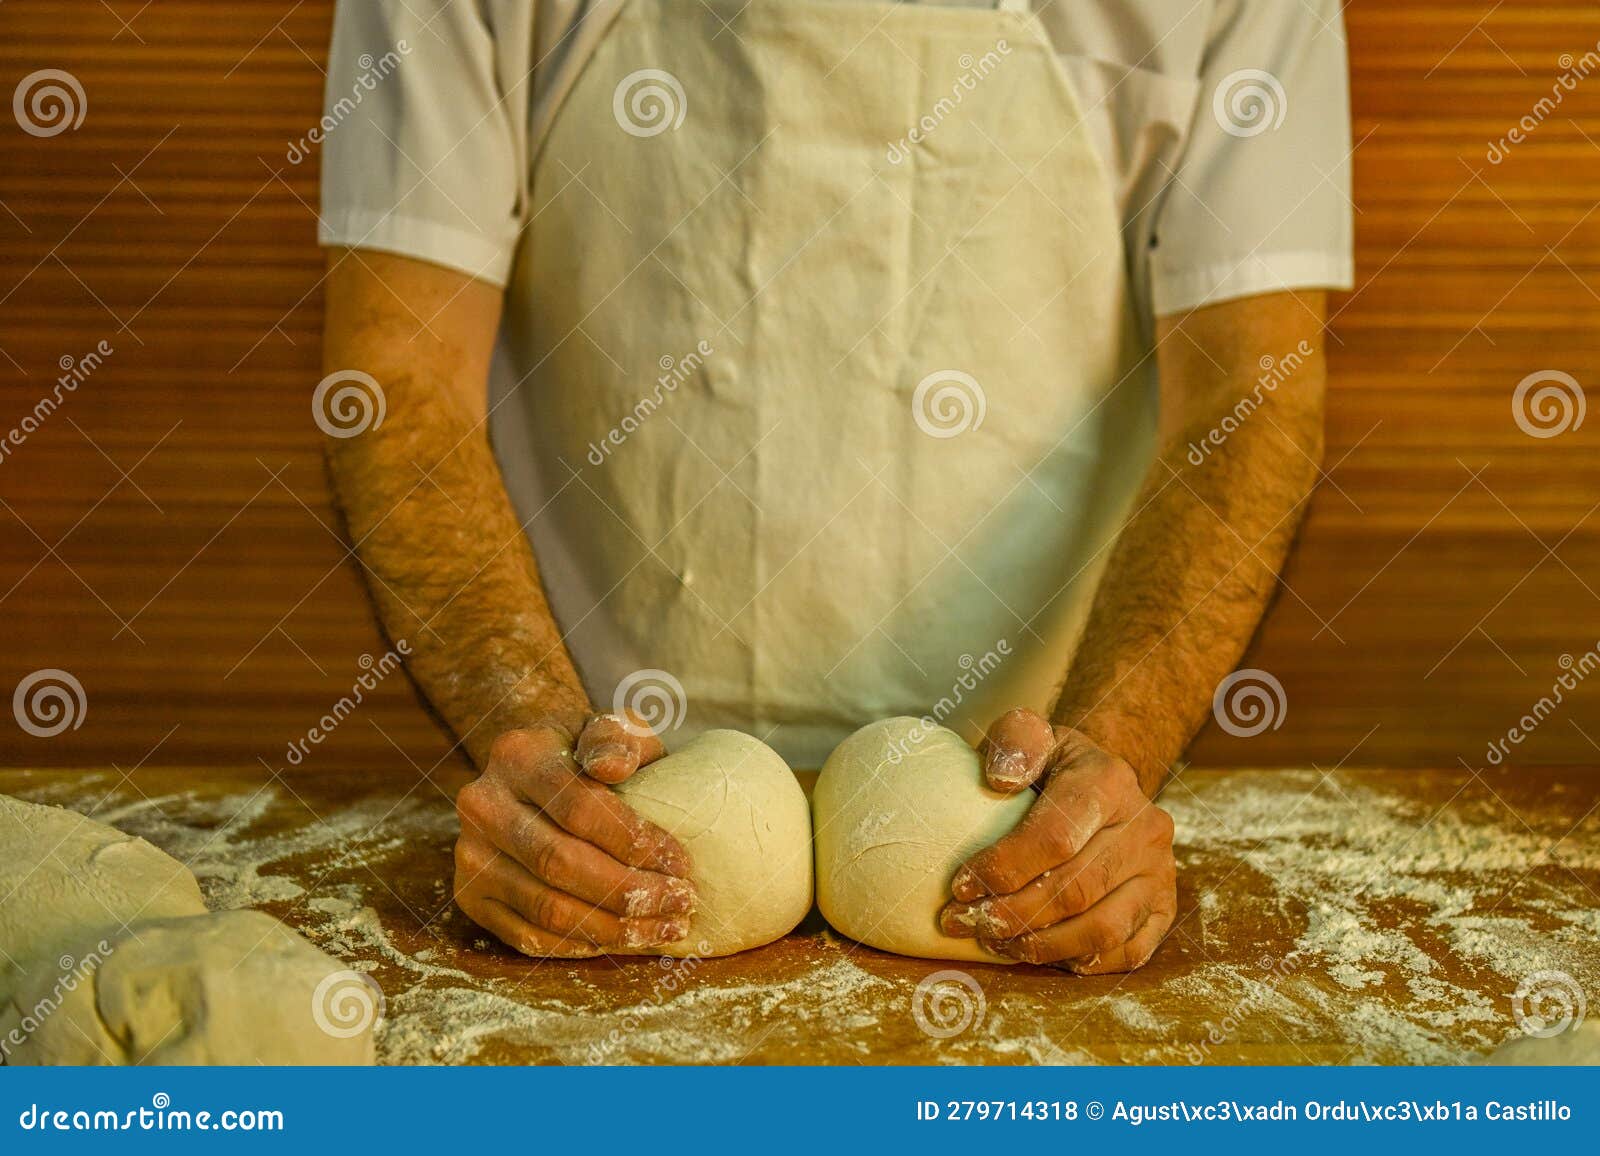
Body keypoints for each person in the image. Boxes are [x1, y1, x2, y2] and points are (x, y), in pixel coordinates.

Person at [318, 0, 1351, 971]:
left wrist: (1102, 782)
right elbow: (400, 380)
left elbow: (1248, 398)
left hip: (1015, 811)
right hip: (622, 788)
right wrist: (541, 771)